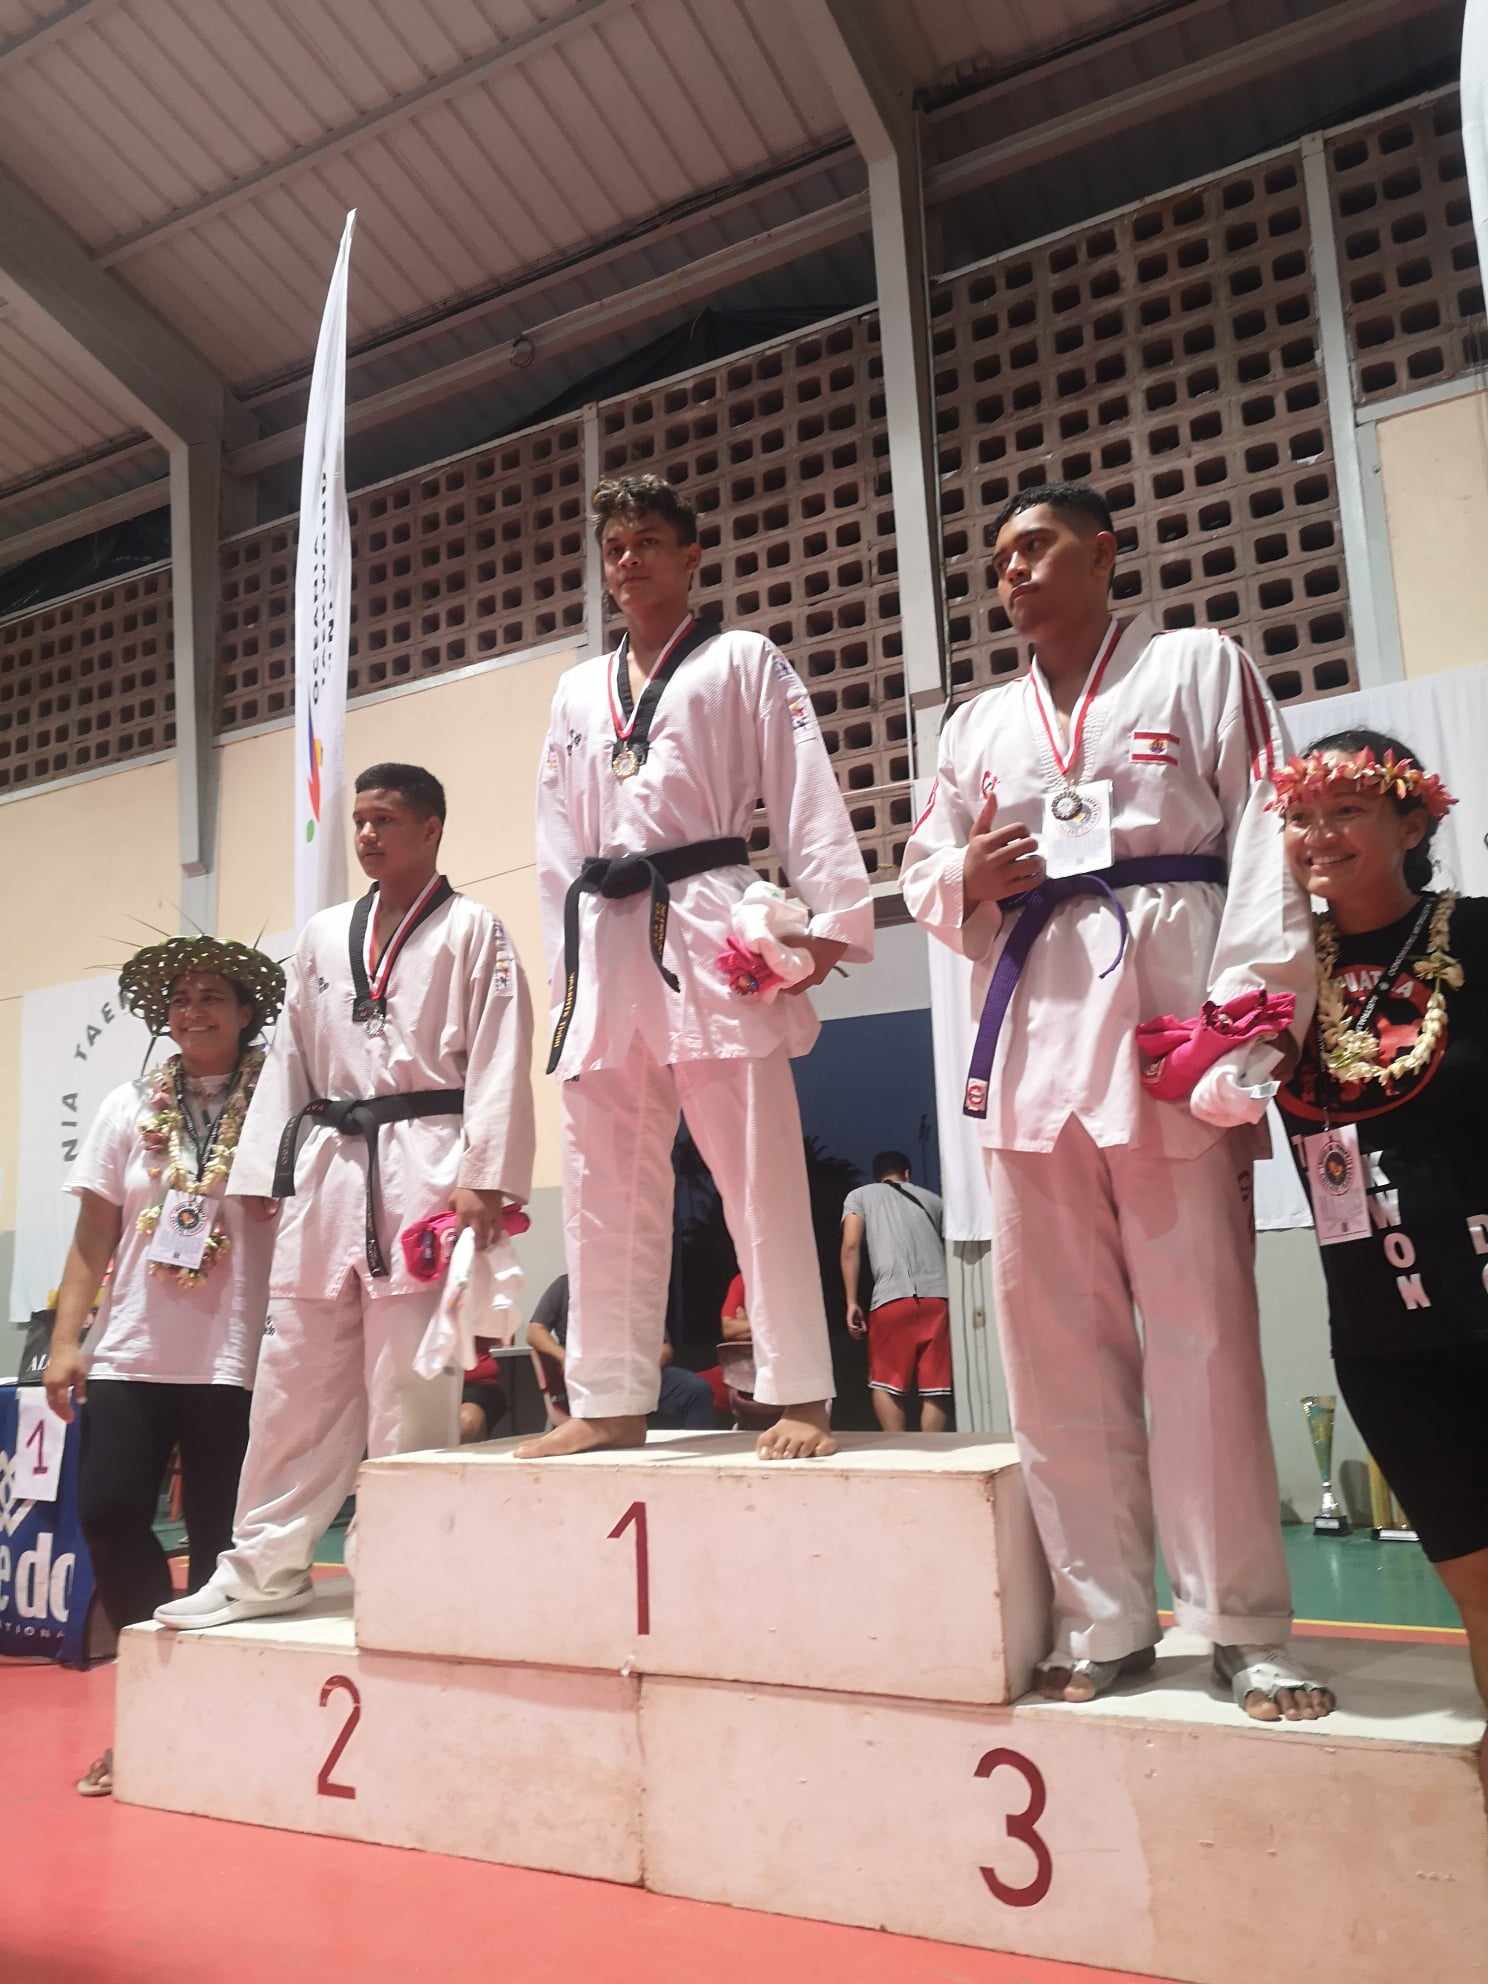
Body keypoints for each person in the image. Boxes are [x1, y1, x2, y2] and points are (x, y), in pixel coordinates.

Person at [901, 481, 1333, 1723]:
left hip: (1169, 1025)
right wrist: (961, 876)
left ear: (1104, 553)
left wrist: (1248, 1022)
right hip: (1031, 1033)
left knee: (1202, 1336)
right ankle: (1108, 1617)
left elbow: (1270, 826)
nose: (1014, 573)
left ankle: (1242, 1624)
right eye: (997, 560)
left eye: (1035, 547)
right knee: (1052, 1348)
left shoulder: (1198, 666)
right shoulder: (977, 722)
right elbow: (928, 860)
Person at [525, 473, 874, 1463]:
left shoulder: (742, 660)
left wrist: (824, 924)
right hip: (604, 933)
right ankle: (609, 1398)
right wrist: (566, 975)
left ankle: (802, 1391)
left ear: (690, 558)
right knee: (602, 1176)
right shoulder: (575, 691)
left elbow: (803, 787)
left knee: (756, 1163)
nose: (628, 560)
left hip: (710, 918)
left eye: (647, 542)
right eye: (614, 546)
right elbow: (556, 842)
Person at [156, 763, 535, 1630]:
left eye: (386, 820)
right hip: (328, 1171)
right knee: (296, 1381)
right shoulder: (324, 934)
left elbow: (500, 1054)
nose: (367, 835)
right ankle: (262, 1567)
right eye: (359, 820)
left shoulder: (476, 929)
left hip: (427, 1166)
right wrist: (264, 1172)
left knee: (410, 1386)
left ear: (432, 828)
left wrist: (486, 1177)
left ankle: (411, 1569)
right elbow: (289, 1053)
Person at [1272, 731, 1486, 1788]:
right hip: (1379, 1326)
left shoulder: (1478, 936)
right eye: (1303, 814)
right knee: (1476, 1576)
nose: (1320, 834)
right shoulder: (1273, 973)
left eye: (1349, 810)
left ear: (1414, 823)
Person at [44, 935, 286, 1794]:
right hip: (132, 1353)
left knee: (225, 1549)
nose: (195, 1010)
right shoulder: (126, 1107)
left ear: (248, 1011)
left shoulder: (277, 1105)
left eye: (213, 995)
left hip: (236, 1360)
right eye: (181, 998)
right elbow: (92, 1236)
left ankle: (220, 1731)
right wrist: (68, 1340)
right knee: (108, 1511)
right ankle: (155, 1707)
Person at [841, 1150, 951, 1432]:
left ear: (876, 1176)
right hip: (938, 1298)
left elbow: (851, 1246)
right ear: (908, 1174)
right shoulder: (935, 1201)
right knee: (935, 1387)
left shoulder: (860, 1196)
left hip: (892, 1298)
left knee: (886, 1383)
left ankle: (899, 1449)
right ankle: (933, 1455)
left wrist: (852, 1301)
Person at [524, 1275, 717, 1431]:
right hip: (591, 1376)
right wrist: (564, 1357)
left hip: (638, 1374)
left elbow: (664, 1347)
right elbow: (534, 1331)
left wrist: (643, 1368)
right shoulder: (566, 1285)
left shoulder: (633, 1291)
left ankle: (692, 1470)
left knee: (697, 1391)